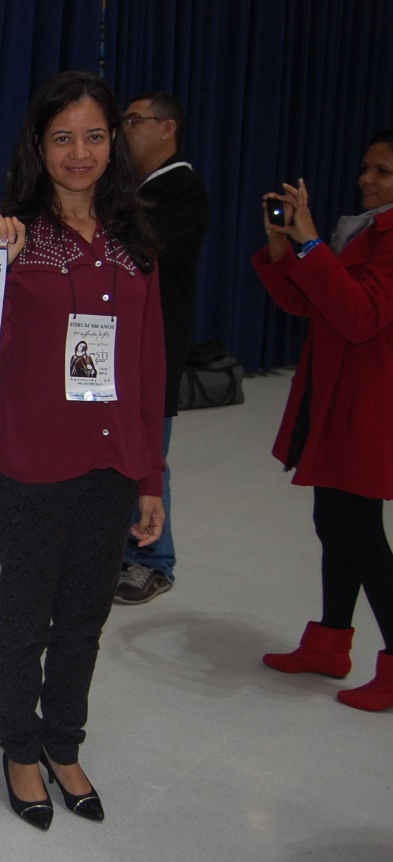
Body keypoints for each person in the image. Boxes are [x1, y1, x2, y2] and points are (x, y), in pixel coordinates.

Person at [0, 71, 165, 830]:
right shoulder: (12, 239)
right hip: (31, 463)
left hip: (111, 462)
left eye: (93, 136)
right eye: (61, 138)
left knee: (84, 619)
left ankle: (62, 741)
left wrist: (149, 476)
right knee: (27, 620)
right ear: (38, 147)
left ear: (113, 142)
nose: (78, 153)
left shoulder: (133, 241)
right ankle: (20, 748)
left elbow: (147, 368)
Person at [254, 129, 393, 713]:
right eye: (366, 167)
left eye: (383, 172)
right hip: (334, 394)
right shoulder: (363, 229)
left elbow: (360, 316)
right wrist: (286, 249)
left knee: (358, 530)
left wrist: (311, 244)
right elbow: (309, 304)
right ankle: (330, 643)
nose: (367, 179)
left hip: (369, 401)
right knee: (333, 521)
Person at [115, 92, 210, 605]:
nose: (124, 130)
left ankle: (154, 560)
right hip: (116, 343)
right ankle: (122, 548)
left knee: (149, 452)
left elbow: (143, 248)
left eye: (134, 120)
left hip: (156, 345)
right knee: (117, 447)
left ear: (167, 128)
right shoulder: (133, 187)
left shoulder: (181, 188)